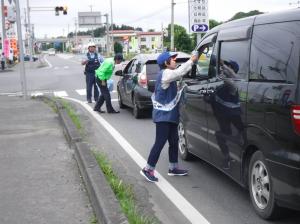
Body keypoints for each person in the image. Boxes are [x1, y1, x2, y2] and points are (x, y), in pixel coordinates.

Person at [140, 51, 198, 182]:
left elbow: (177, 73)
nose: (174, 61)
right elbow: (179, 72)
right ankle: (148, 169)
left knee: (174, 141)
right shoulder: (165, 73)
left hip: (170, 115)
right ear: (166, 63)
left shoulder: (168, 74)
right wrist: (192, 60)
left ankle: (173, 168)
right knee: (160, 142)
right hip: (163, 116)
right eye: (172, 59)